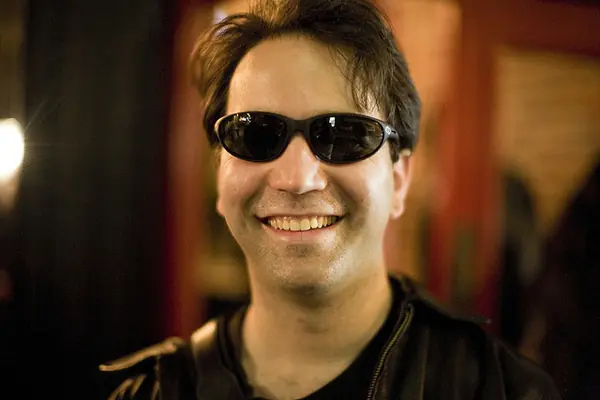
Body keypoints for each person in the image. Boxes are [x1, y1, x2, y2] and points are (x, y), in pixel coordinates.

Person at [100, 0, 560, 398]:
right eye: (256, 135)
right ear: (219, 178)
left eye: (344, 137)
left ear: (399, 179)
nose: (297, 179)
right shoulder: (154, 392)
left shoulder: (504, 390)